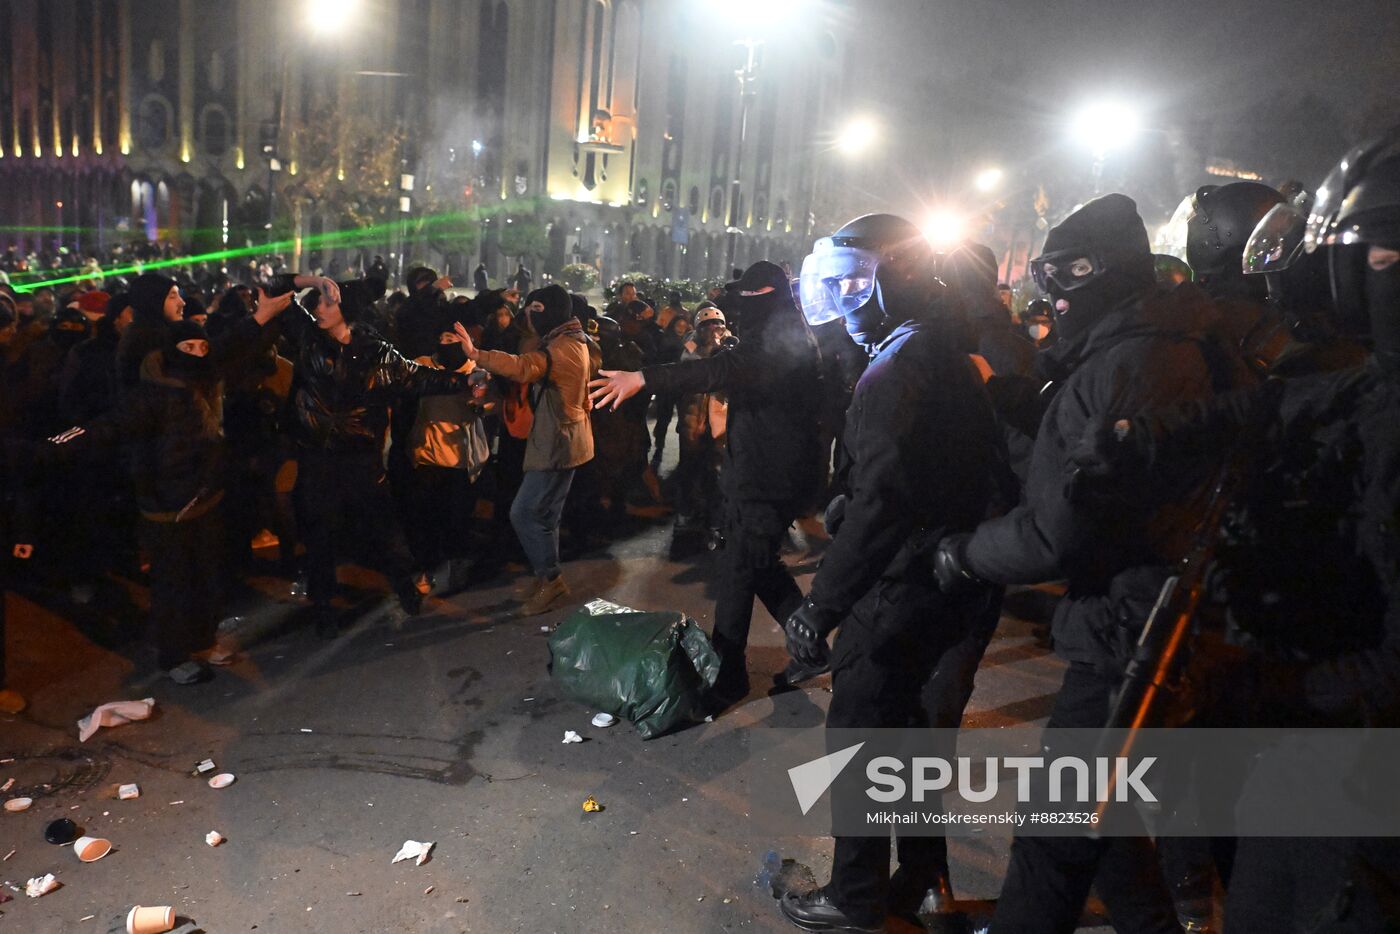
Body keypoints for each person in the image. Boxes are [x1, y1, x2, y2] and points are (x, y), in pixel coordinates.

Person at [1077, 130, 1400, 932]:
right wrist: (1147, 438)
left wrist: (1284, 685)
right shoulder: (1373, 386)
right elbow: (1278, 407)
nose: (1364, 277)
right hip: (1312, 752)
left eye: (1385, 258)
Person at [931, 193, 1254, 933]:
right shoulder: (1173, 337)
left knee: (1056, 829)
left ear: (1090, 271)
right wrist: (1016, 405)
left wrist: (963, 555)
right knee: (1100, 823)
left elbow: (1058, 528)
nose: (1053, 298)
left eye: (1059, 277)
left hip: (1134, 629)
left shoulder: (1133, 360)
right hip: (1172, 611)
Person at [777, 214, 1014, 933]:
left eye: (856, 283)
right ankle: (920, 875)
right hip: (946, 576)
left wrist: (820, 606)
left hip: (905, 579)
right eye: (837, 285)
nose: (844, 302)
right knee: (908, 739)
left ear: (897, 279)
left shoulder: (897, 367)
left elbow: (883, 504)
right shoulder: (933, 347)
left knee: (856, 735)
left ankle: (854, 896)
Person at [23, 291, 295, 683]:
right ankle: (173, 656)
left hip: (206, 501)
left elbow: (235, 343)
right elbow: (105, 427)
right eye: (189, 346)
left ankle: (204, 639)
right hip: (166, 508)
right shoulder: (150, 396)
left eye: (203, 345)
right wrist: (49, 447)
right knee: (174, 586)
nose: (198, 352)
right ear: (171, 351)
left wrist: (262, 316)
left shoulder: (208, 380)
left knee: (207, 578)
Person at [590, 261, 822, 708]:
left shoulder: (778, 340)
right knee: (760, 564)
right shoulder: (780, 331)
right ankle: (811, 646)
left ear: (764, 298)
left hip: (766, 479)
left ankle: (729, 675)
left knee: (738, 571)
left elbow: (715, 372)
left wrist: (643, 378)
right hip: (761, 474)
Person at [268, 274, 471, 634]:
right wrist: (314, 279)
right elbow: (274, 292)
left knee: (381, 527)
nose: (319, 308)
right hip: (317, 456)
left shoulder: (377, 352)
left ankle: (404, 585)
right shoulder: (308, 337)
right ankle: (324, 607)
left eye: (329, 303)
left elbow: (417, 378)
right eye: (319, 301)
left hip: (361, 458)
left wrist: (466, 380)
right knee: (319, 535)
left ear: (348, 310)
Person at [453, 284, 595, 617]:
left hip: (557, 444)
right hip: (568, 439)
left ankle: (551, 577)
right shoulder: (572, 340)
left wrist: (476, 354)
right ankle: (546, 577)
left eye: (532, 313)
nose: (527, 321)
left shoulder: (560, 349)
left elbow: (522, 366)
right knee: (547, 516)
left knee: (523, 513)